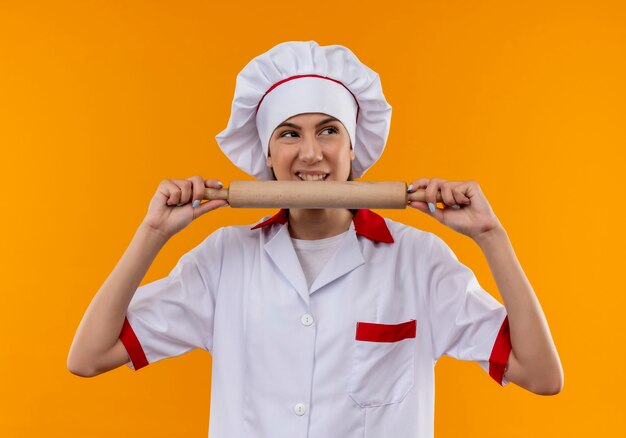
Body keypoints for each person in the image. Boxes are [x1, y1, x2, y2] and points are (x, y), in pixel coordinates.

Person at [67, 41, 563, 438]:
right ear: (266, 152)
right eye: (288, 134)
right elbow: (88, 357)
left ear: (354, 147)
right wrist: (151, 234)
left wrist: (491, 237)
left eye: (327, 131)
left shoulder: (419, 260)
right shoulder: (224, 260)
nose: (310, 154)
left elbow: (541, 376)